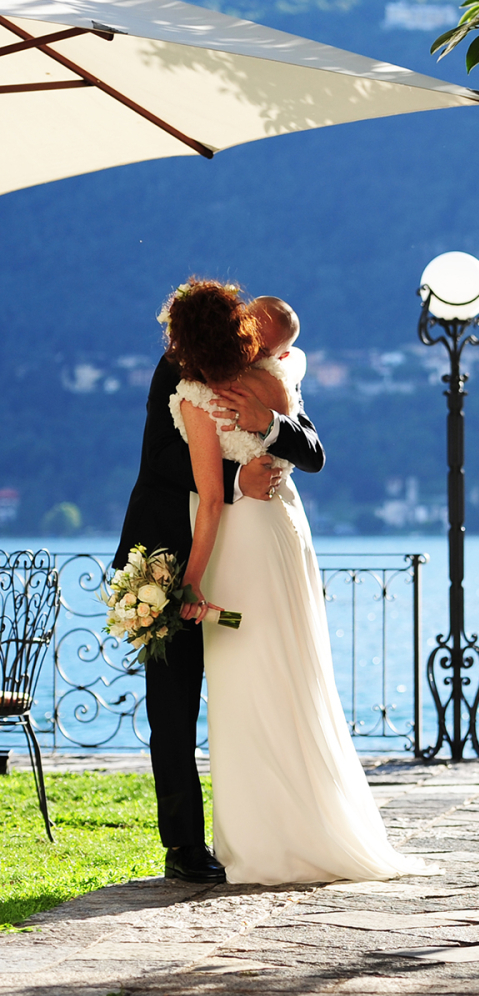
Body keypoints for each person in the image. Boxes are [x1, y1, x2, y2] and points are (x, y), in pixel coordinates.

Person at [164, 280, 431, 884]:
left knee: (247, 682)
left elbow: (233, 489)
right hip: (281, 531)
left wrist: (191, 580)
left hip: (238, 544)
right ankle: (309, 826)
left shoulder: (198, 395)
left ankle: (262, 840)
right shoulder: (276, 379)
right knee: (291, 671)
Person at [113, 283, 322, 884]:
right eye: (253, 340)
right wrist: (237, 479)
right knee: (172, 703)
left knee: (256, 685)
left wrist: (270, 424)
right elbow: (159, 458)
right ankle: (183, 845)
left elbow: (313, 451)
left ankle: (268, 826)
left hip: (247, 559)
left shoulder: (269, 375)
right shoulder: (178, 367)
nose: (259, 351)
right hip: (168, 549)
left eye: (268, 347)